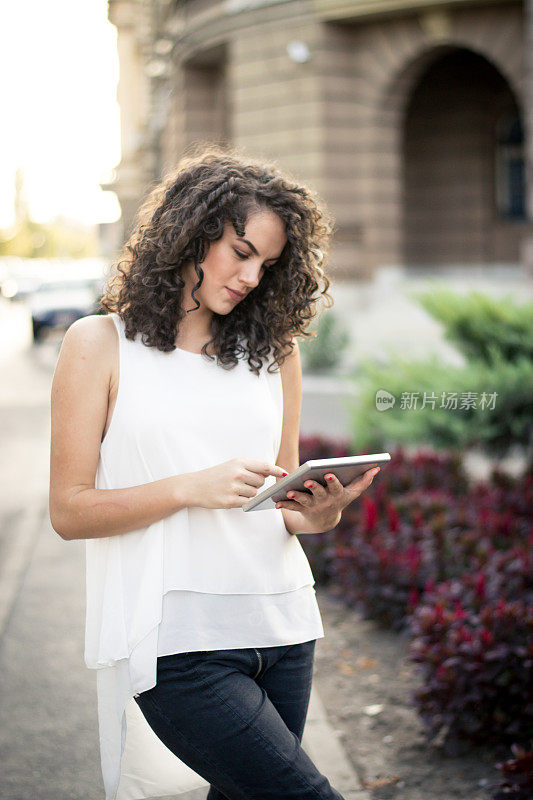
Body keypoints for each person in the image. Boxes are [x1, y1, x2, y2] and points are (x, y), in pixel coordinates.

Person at [49, 143, 380, 800]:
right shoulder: (99, 345)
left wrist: (321, 510)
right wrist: (185, 489)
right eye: (241, 252)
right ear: (189, 237)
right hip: (178, 646)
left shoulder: (275, 355)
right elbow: (69, 511)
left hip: (283, 626)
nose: (253, 276)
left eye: (269, 262)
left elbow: (282, 509)